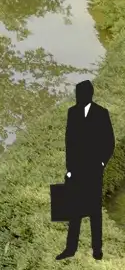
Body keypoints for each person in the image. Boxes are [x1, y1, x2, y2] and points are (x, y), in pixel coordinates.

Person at [62, 79, 114, 260]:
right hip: (76, 169)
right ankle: (70, 249)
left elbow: (109, 141)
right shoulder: (72, 112)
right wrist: (69, 168)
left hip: (93, 170)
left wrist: (101, 163)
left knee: (94, 210)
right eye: (77, 94)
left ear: (89, 95)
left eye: (81, 94)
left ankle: (97, 250)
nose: (78, 97)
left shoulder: (101, 113)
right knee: (74, 209)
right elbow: (69, 141)